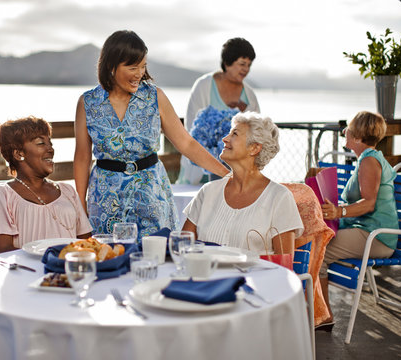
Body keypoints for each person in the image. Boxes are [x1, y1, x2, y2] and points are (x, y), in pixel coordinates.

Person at [74, 30, 229, 240]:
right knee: (108, 260)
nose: (139, 73)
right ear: (111, 66)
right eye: (132, 67)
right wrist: (80, 205)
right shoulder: (88, 102)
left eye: (143, 66)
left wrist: (226, 174)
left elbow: (186, 143)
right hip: (104, 199)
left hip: (151, 195)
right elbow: (82, 157)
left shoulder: (155, 97)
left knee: (158, 259)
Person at [318, 111, 399, 331]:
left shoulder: (370, 162)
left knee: (318, 250)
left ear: (358, 136)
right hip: (368, 230)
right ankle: (317, 308)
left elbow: (369, 203)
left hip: (378, 237)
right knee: (316, 237)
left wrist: (338, 213)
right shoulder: (367, 158)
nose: (345, 131)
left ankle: (323, 315)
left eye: (349, 128)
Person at [182, 112, 303, 254]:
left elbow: (284, 262)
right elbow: (183, 246)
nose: (225, 139)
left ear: (254, 148)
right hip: (204, 274)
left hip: (255, 276)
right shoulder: (208, 191)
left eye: (234, 134)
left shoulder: (279, 198)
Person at [0, 116, 92, 254]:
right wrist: (50, 260)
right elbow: (1, 251)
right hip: (28, 272)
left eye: (50, 143)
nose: (50, 149)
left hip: (69, 270)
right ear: (18, 153)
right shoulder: (1, 194)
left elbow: (87, 244)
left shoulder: (67, 190)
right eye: (41, 143)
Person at [177, 37, 261, 185]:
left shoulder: (249, 96)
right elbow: (192, 127)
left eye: (249, 65)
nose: (246, 69)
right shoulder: (203, 86)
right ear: (227, 62)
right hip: (200, 169)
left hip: (236, 171)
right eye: (242, 64)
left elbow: (256, 131)